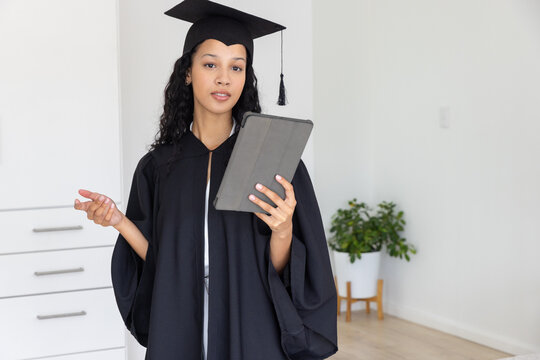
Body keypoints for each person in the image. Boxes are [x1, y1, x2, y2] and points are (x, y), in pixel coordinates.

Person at [73, 1, 338, 359]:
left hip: (250, 321)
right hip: (181, 319)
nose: (224, 78)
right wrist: (120, 221)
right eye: (210, 64)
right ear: (188, 72)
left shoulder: (274, 161)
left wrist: (284, 229)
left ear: (247, 78)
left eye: (237, 67)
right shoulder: (158, 166)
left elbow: (278, 274)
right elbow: (162, 263)